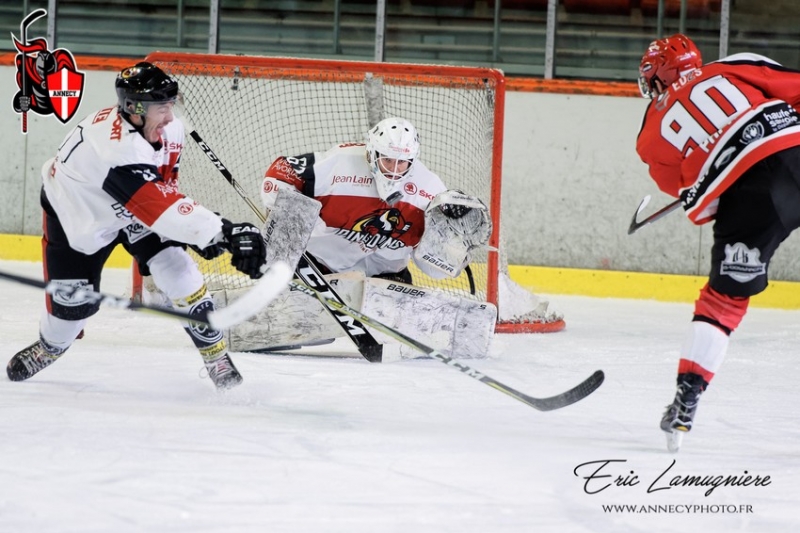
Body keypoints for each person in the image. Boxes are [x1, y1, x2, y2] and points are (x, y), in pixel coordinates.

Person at [6, 62, 267, 390]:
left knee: (179, 269)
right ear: (134, 109)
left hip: (134, 211)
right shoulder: (115, 147)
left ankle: (215, 354)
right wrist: (222, 230)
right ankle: (51, 346)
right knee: (71, 313)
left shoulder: (168, 130)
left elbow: (163, 190)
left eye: (171, 106)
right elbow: (157, 204)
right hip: (80, 219)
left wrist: (203, 231)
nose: (170, 117)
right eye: (162, 108)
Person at [636, 34, 800, 450]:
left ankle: (686, 400)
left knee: (722, 304)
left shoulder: (651, 136)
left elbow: (699, 204)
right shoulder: (732, 65)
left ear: (656, 78)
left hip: (750, 199)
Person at [251, 117, 494, 357]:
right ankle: (284, 298)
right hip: (321, 267)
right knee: (296, 316)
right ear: (372, 152)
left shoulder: (429, 188)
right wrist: (284, 218)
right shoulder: (340, 165)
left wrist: (452, 237)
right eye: (388, 160)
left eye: (403, 163)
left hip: (386, 274)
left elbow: (434, 269)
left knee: (402, 318)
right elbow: (281, 170)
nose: (394, 169)